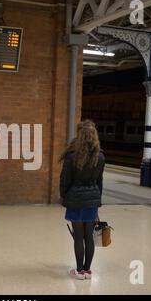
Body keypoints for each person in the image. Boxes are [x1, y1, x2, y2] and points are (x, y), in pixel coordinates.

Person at [60, 120, 105, 280]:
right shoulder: (100, 157)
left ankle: (79, 271)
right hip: (92, 200)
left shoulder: (72, 156)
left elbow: (64, 180)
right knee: (89, 237)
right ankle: (87, 271)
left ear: (79, 136)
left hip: (75, 200)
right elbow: (99, 182)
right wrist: (97, 200)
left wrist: (65, 197)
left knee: (78, 236)